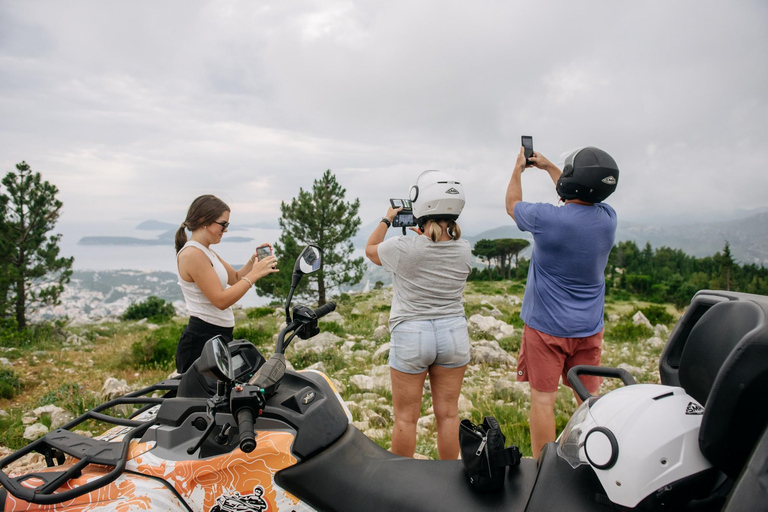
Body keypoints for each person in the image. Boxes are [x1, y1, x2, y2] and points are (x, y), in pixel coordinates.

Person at [505, 146, 619, 458]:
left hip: (545, 329)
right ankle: (595, 458)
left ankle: (545, 469)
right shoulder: (608, 219)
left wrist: (518, 169)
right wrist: (549, 167)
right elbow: (581, 196)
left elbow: (512, 205)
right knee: (589, 398)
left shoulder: (547, 219)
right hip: (588, 329)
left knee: (543, 401)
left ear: (573, 181)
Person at [365, 170, 472, 460]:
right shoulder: (464, 250)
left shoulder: (404, 247)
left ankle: (402, 489)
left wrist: (387, 219)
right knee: (449, 416)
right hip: (453, 334)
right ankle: (451, 481)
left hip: (412, 334)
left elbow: (371, 250)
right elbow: (438, 250)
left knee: (405, 419)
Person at [174, 194, 278, 373]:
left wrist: (253, 262)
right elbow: (220, 301)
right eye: (223, 224)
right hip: (201, 341)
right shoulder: (193, 254)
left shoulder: (206, 251)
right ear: (203, 220)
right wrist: (254, 275)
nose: (226, 230)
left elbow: (236, 278)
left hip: (217, 337)